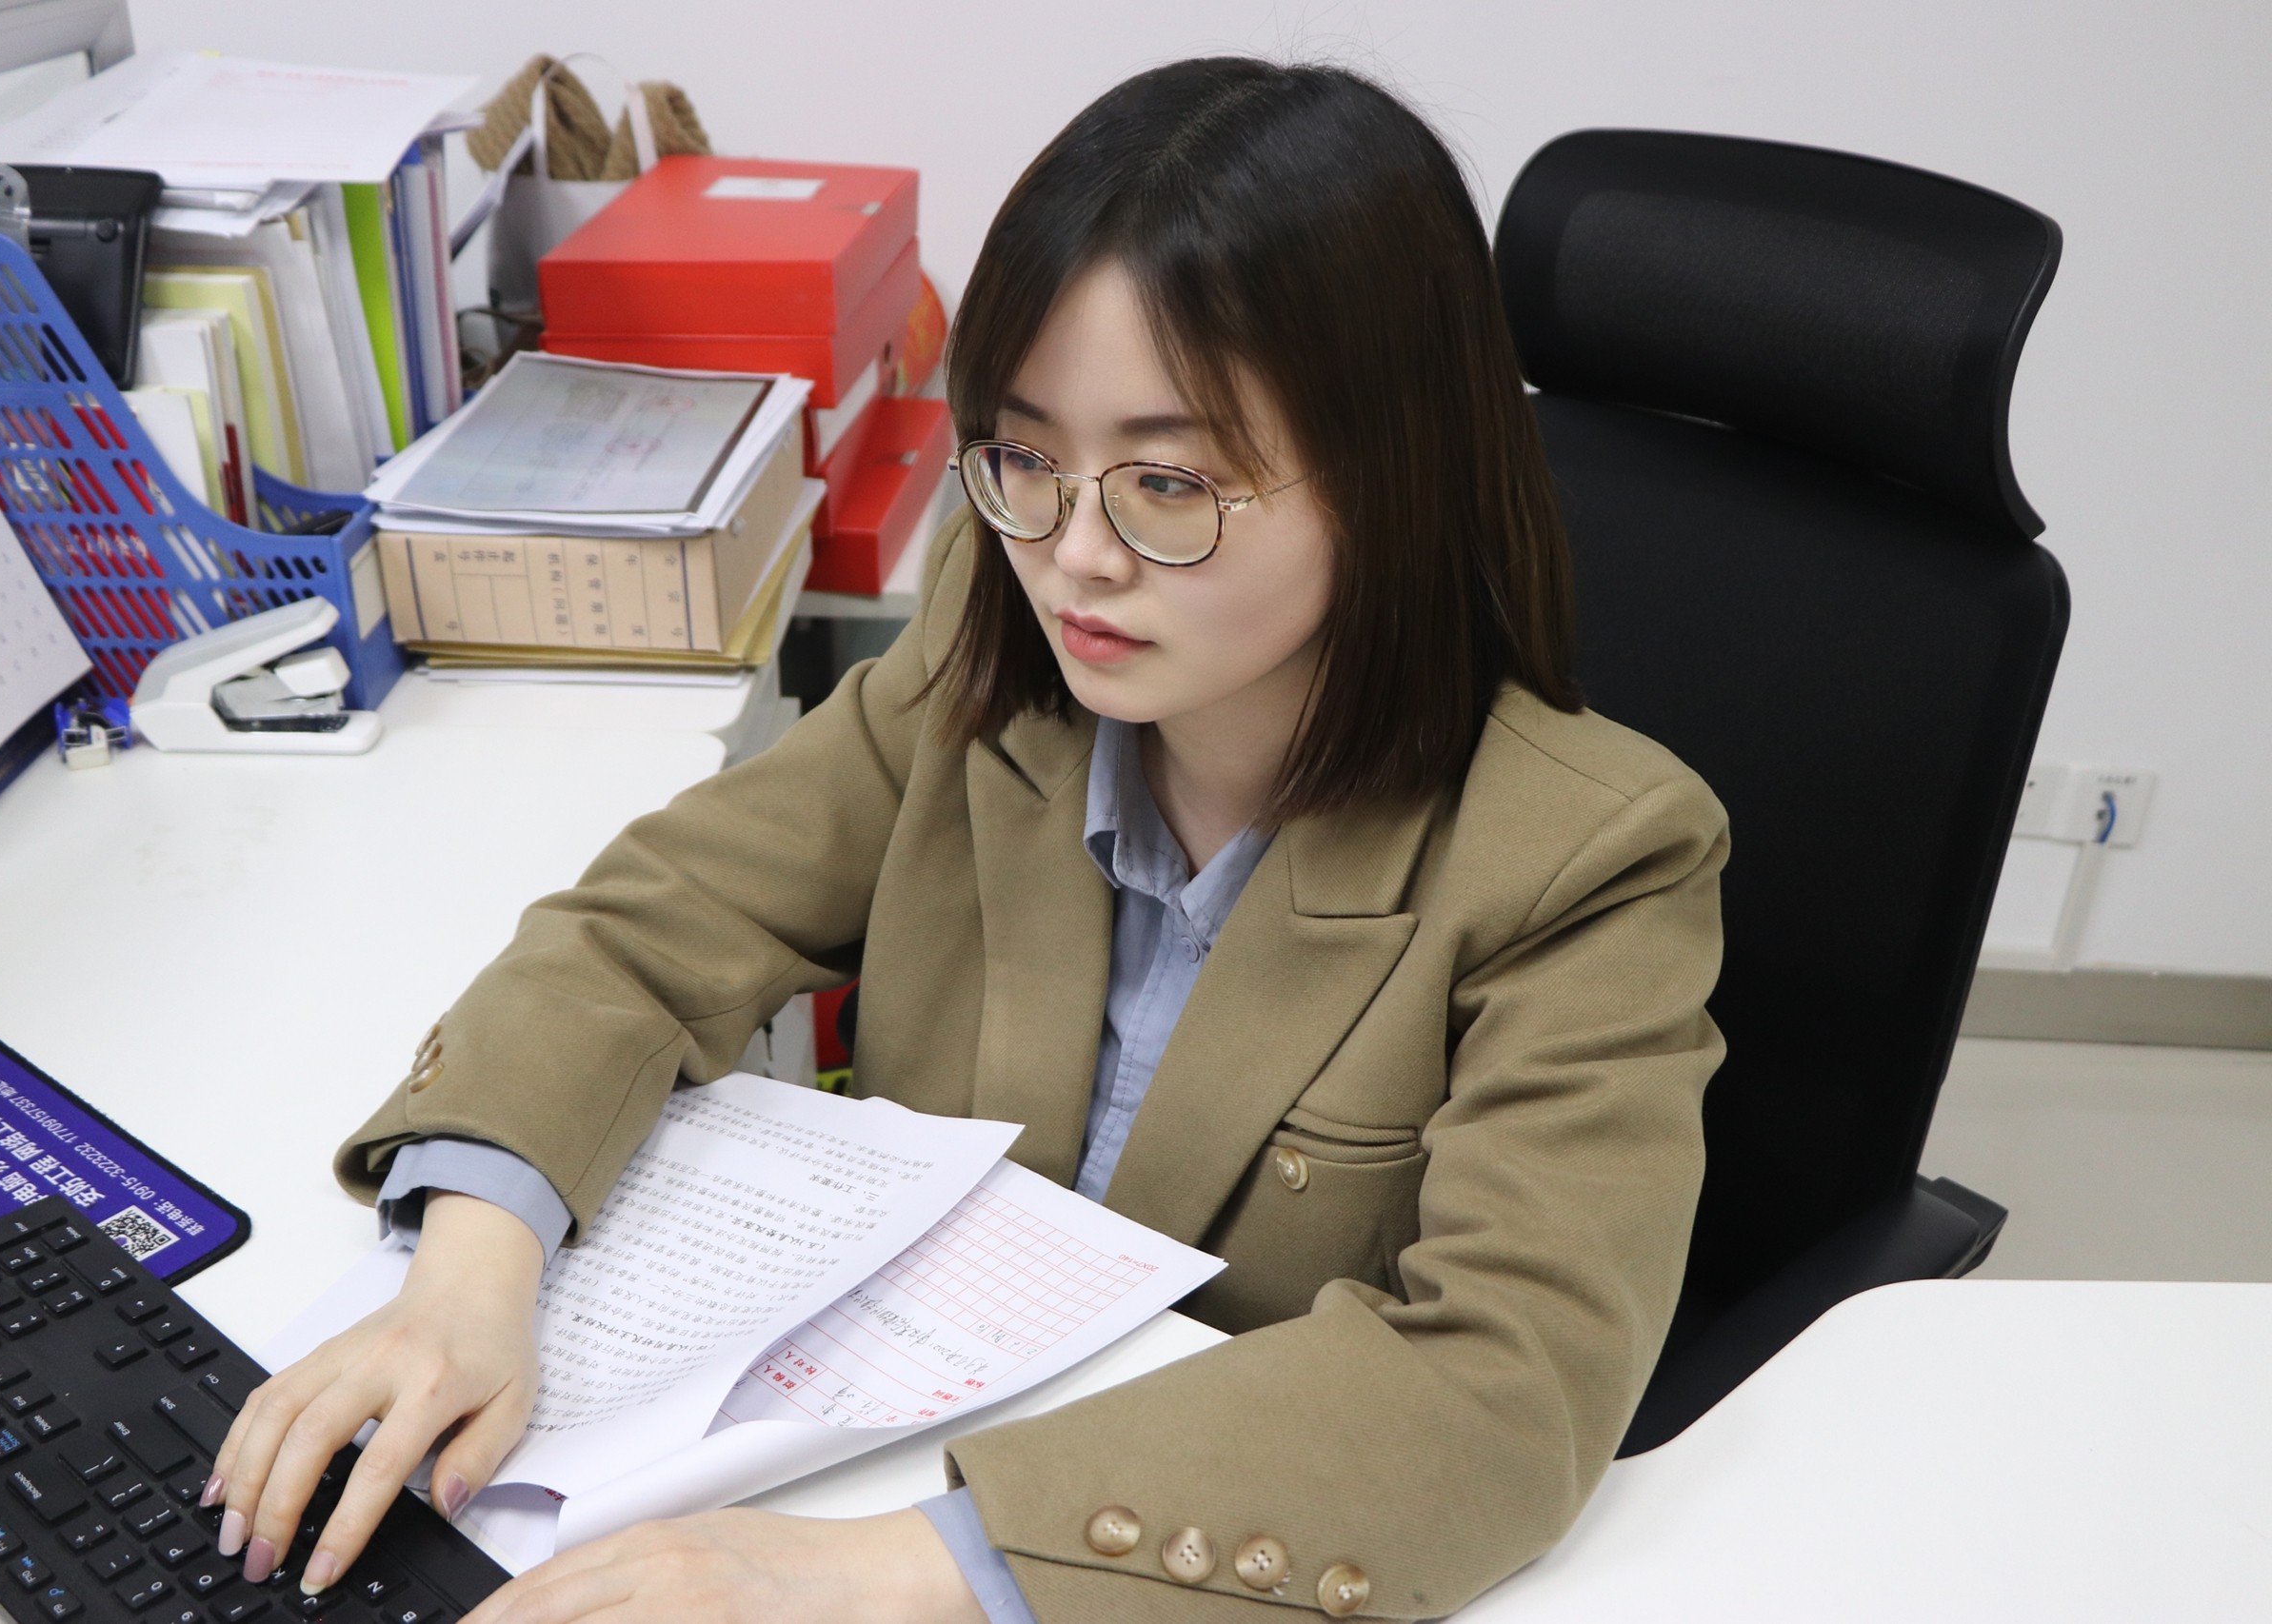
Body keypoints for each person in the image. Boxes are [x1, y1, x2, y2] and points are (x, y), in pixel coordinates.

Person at [203, 56, 1727, 1624]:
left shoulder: (1590, 861)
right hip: (862, 1439)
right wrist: (466, 1282)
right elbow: (647, 925)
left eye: (1167, 482)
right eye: (1024, 455)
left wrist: (878, 1572)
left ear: (1390, 477)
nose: (1073, 557)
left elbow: (1500, 1387)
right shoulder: (989, 666)